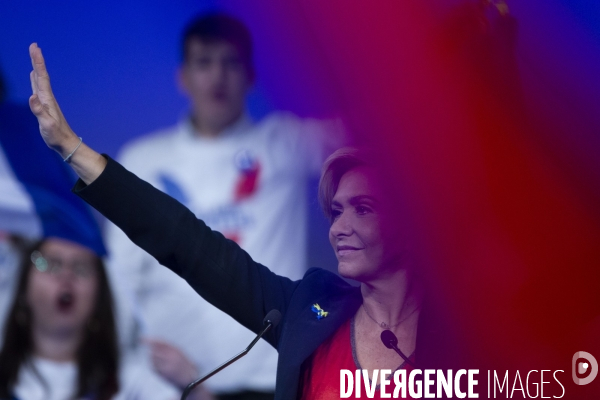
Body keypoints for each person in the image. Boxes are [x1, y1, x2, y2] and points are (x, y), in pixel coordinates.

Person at [28, 43, 454, 399]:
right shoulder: (308, 312)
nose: (339, 228)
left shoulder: (468, 331)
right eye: (336, 211)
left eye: (363, 208)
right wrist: (70, 147)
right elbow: (188, 243)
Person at [104, 13, 344, 399]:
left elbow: (373, 131)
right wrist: (122, 366)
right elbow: (118, 277)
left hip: (275, 379)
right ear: (182, 77)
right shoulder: (143, 159)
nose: (217, 76)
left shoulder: (283, 142)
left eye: (230, 62)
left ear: (251, 76)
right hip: (173, 385)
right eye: (204, 62)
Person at [0, 237, 182, 400]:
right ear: (23, 288)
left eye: (81, 269)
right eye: (52, 264)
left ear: (99, 298)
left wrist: (193, 389)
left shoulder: (130, 383)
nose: (66, 275)